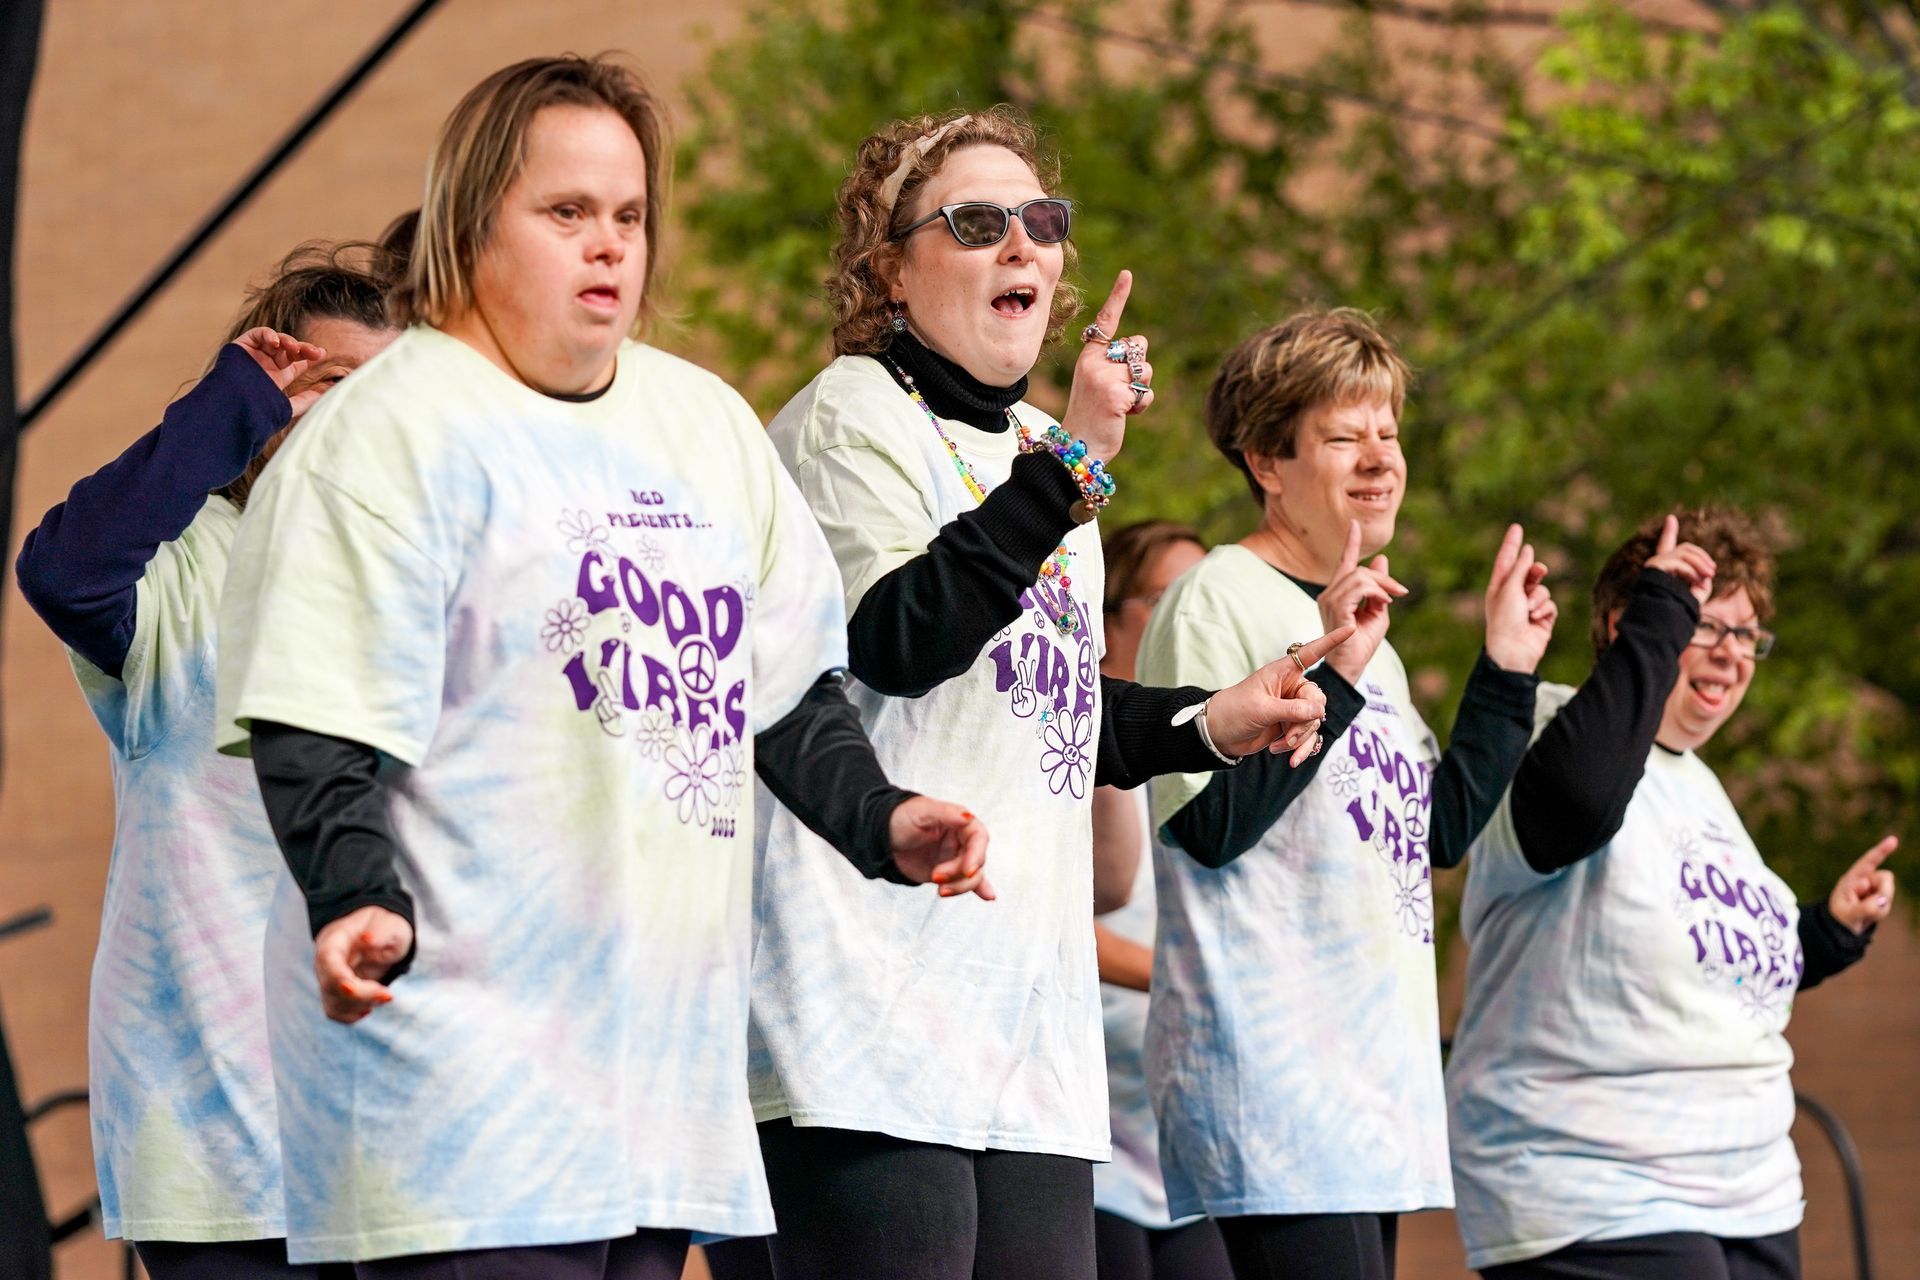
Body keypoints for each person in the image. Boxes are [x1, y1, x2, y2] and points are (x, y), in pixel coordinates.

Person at [212, 56, 989, 1279]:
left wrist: (882, 815)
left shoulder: (703, 425)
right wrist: (352, 892)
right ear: (473, 222)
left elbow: (780, 692)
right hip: (458, 1092)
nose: (609, 246)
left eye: (628, 216)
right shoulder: (386, 434)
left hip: (656, 1091)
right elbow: (317, 722)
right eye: (566, 212)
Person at [749, 106, 1347, 1280]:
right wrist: (1070, 467)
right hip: (864, 1025)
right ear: (890, 269)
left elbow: (1051, 708)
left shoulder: (1042, 452)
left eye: (1042, 221)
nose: (1021, 244)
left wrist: (1208, 718)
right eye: (976, 222)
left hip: (1028, 1033)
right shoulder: (846, 418)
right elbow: (898, 639)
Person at [1136, 309, 1558, 1280]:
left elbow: (1435, 833)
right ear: (1268, 461)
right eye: (1343, 435)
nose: (1379, 457)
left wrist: (1505, 669)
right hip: (1276, 1083)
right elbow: (1205, 824)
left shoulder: (1365, 631)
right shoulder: (1215, 596)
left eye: (1389, 432)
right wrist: (1332, 679)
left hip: (1371, 1090)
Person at [13, 241, 402, 1278]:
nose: (347, 421)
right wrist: (234, 402)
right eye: (323, 387)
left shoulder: (423, 577)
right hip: (216, 1153)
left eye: (378, 395)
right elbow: (64, 569)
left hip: (400, 1146)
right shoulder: (187, 565)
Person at [1446, 508, 1899, 1280]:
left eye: (1746, 635)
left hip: (1749, 1191)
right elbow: (1580, 806)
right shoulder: (1553, 726)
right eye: (1706, 625)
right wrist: (1657, 622)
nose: (1731, 655)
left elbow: (1716, 976)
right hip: (1593, 1185)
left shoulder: (1705, 792)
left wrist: (1826, 930)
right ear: (1634, 621)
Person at [1089, 520, 1233, 1280]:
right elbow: (1054, 915)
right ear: (1106, 614)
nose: (1190, 618)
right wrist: (1175, 977)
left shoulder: (1220, 744)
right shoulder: (1065, 732)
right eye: (1168, 598)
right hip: (1091, 1134)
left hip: (1185, 1129)